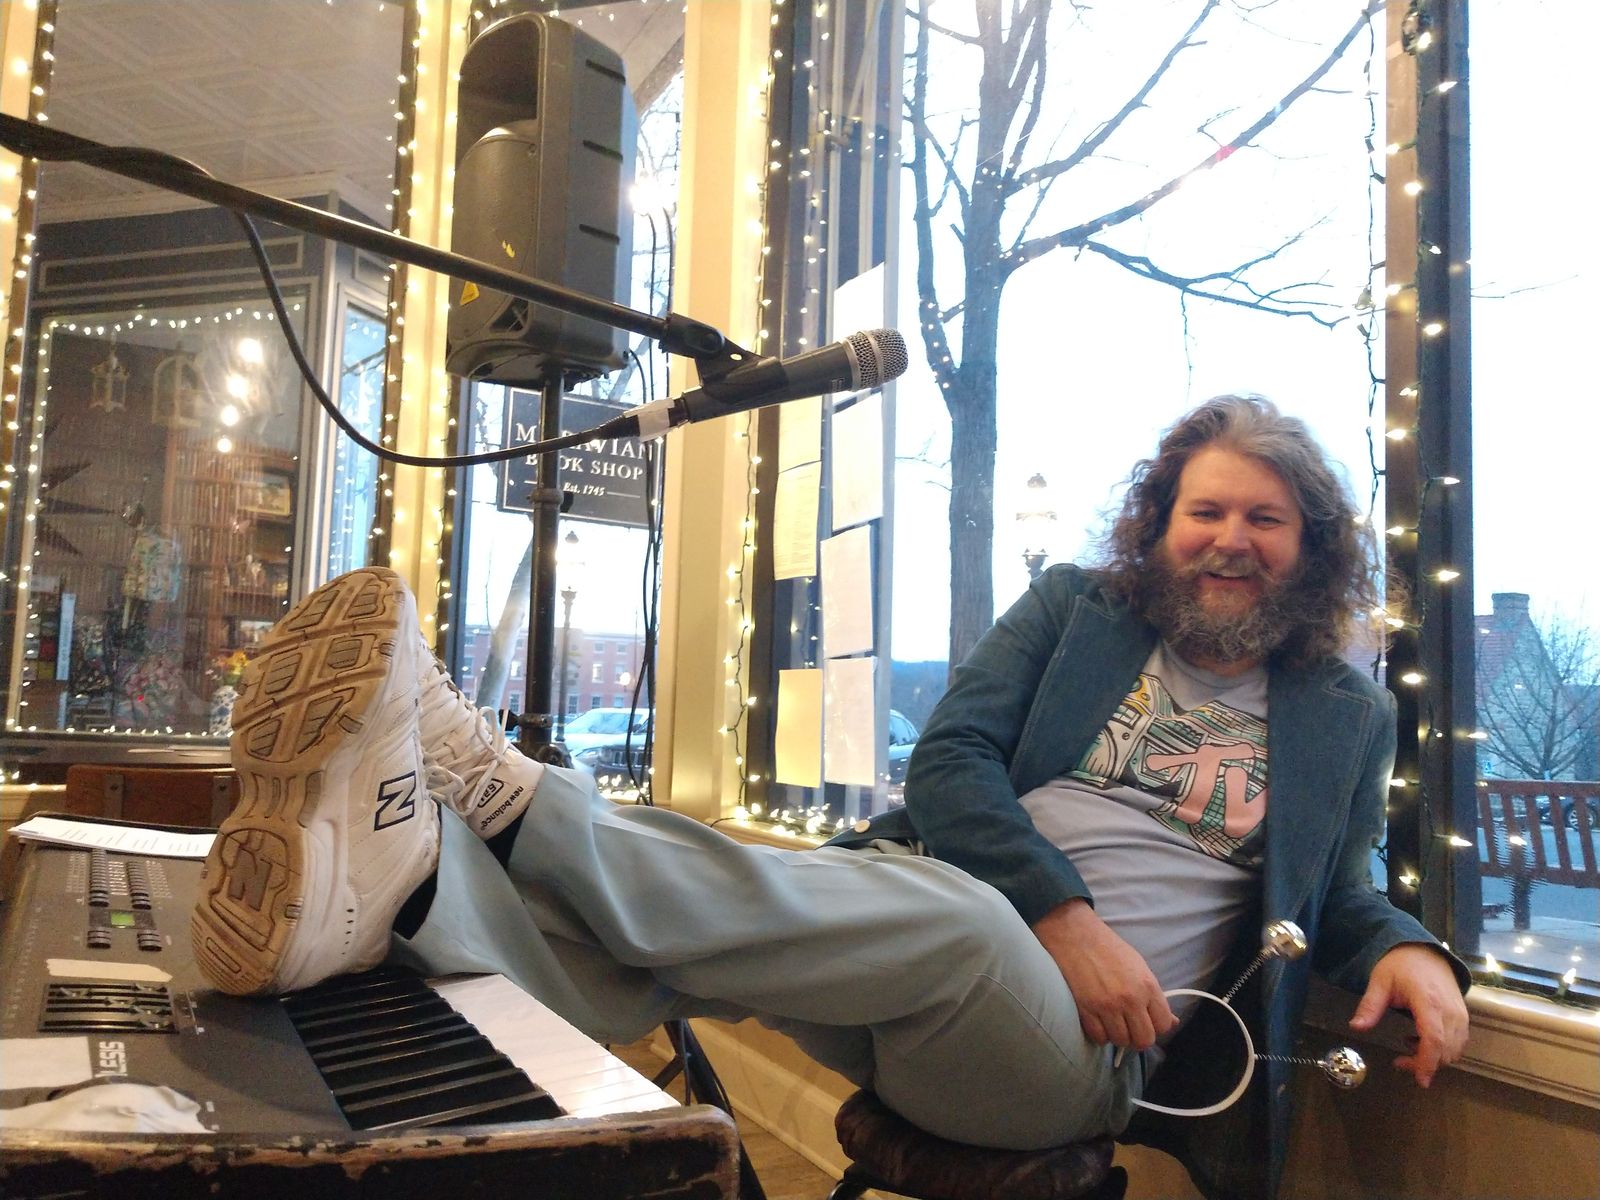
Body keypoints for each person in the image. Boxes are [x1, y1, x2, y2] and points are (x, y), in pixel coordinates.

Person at [191, 395, 1468, 1200]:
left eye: (1265, 519)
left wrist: (1410, 949)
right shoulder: (1076, 611)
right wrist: (1064, 915)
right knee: (707, 943)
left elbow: (1340, 887)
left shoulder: (1344, 714)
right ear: (1161, 522)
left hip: (1077, 1058)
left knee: (958, 922)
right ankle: (395, 898)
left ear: (1310, 547)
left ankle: (496, 797)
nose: (1230, 537)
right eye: (1206, 510)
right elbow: (950, 761)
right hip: (922, 948)